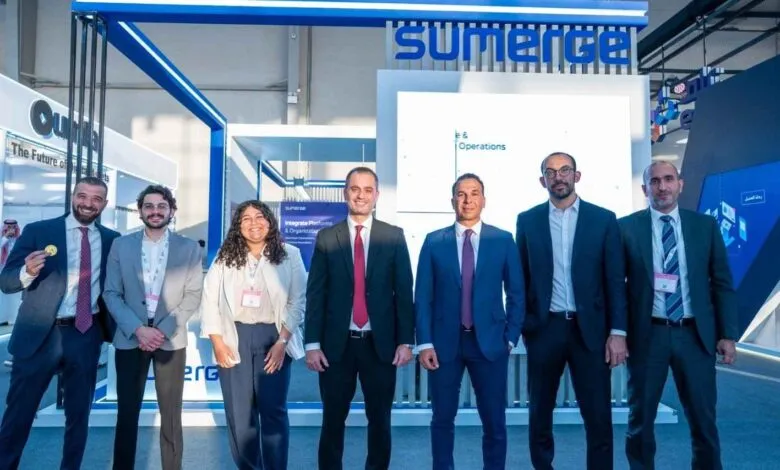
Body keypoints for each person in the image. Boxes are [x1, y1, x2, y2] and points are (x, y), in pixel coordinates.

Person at [620, 161, 737, 470]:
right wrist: (617, 332)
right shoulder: (625, 228)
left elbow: (722, 283)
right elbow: (615, 288)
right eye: (655, 181)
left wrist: (727, 335)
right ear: (645, 189)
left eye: (668, 179)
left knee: (703, 419)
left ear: (680, 184)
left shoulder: (704, 226)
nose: (662, 186)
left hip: (694, 335)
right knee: (640, 420)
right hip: (648, 335)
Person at [515, 152, 628, 470]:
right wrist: (525, 325)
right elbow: (520, 280)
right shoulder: (527, 220)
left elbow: (614, 281)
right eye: (550, 172)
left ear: (577, 176)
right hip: (544, 329)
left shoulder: (603, 219)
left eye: (565, 170)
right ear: (543, 181)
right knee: (539, 413)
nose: (558, 176)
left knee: (598, 416)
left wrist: (618, 332)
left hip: (590, 332)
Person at [0, 176, 120, 469]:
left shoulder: (111, 240)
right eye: (82, 196)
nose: (88, 203)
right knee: (19, 415)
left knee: (79, 417)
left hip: (85, 334)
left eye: (95, 199)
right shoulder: (39, 231)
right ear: (73, 196)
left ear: (104, 204)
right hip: (39, 335)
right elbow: (6, 281)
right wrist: (26, 272)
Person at [305, 166, 414, 470]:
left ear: (376, 195)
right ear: (345, 193)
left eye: (368, 190)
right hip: (336, 348)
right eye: (355, 189)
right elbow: (316, 295)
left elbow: (404, 292)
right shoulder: (327, 237)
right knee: (332, 420)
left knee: (379, 420)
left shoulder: (393, 236)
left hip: (380, 347)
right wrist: (312, 343)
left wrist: (406, 341)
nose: (361, 195)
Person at [415, 173, 525, 470]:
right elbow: (422, 296)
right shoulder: (434, 241)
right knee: (441, 420)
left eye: (474, 193)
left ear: (484, 200)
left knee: (494, 422)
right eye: (461, 194)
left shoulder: (502, 240)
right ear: (453, 200)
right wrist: (424, 342)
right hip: (443, 344)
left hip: (490, 344)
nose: (467, 200)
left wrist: (510, 337)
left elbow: (516, 293)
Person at [103, 185, 204, 470]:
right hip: (130, 339)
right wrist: (138, 329)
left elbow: (193, 295)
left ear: (171, 210)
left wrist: (162, 329)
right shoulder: (121, 245)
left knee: (171, 416)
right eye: (149, 206)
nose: (155, 211)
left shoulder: (189, 248)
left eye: (162, 206)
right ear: (140, 211)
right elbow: (111, 293)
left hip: (170, 340)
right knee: (127, 415)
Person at [200, 200, 307, 470]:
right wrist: (217, 342)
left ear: (270, 221)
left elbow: (298, 301)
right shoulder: (225, 256)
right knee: (240, 414)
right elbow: (210, 298)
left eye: (259, 217)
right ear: (238, 225)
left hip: (274, 337)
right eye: (245, 218)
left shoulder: (289, 254)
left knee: (273, 412)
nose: (253, 223)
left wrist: (283, 341)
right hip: (234, 337)